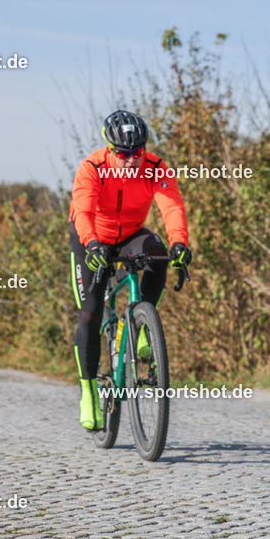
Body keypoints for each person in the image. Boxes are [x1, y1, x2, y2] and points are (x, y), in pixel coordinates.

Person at [69, 110, 192, 430]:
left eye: (137, 152)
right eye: (123, 154)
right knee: (90, 313)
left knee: (159, 254)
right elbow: (82, 211)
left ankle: (140, 326)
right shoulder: (92, 168)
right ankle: (88, 391)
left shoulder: (156, 168)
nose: (131, 160)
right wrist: (92, 244)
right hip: (91, 237)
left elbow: (171, 206)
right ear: (110, 149)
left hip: (131, 235)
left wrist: (180, 242)